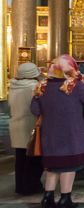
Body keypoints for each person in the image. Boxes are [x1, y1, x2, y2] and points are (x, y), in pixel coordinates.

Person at [31, 55, 84, 208]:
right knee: (68, 166)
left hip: (49, 134)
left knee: (53, 166)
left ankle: (47, 198)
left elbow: (35, 109)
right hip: (71, 132)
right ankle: (65, 199)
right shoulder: (74, 85)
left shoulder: (42, 85)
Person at [9, 62, 43, 195]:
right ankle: (31, 186)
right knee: (33, 159)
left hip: (16, 124)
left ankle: (20, 186)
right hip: (30, 125)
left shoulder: (13, 86)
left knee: (20, 159)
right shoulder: (34, 87)